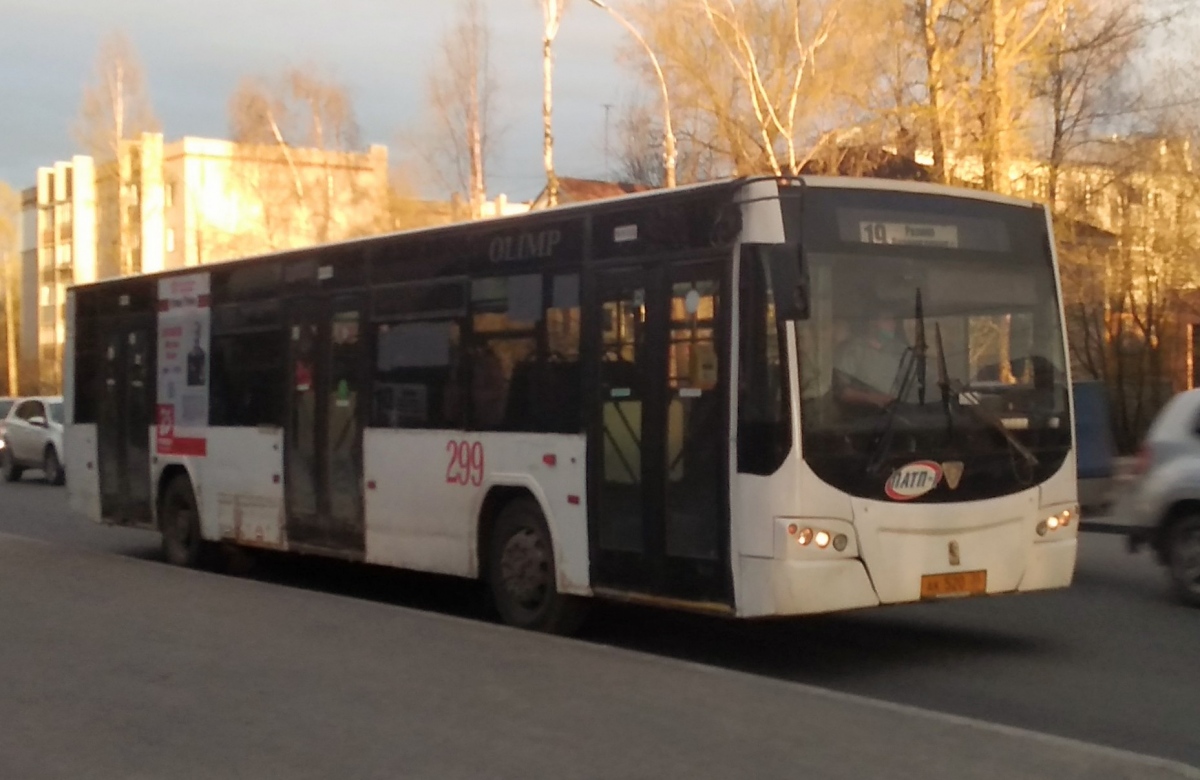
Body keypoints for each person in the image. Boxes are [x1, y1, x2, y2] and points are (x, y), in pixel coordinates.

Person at [833, 313, 911, 410]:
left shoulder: (898, 349)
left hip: (897, 413)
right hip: (863, 418)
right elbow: (842, 391)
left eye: (894, 320)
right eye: (886, 320)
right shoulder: (852, 350)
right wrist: (875, 399)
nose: (893, 324)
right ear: (872, 323)